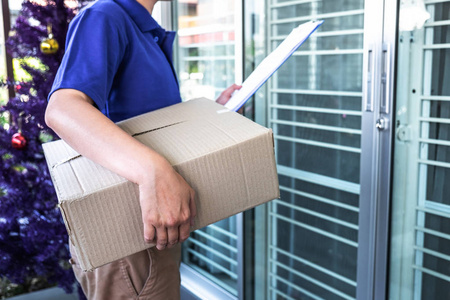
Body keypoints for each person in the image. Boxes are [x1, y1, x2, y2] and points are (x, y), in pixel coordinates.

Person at [45, 0, 241, 298]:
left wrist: (214, 111)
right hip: (126, 235)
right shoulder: (104, 16)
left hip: (151, 226)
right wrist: (154, 170)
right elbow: (63, 110)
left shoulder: (144, 30)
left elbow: (149, 124)